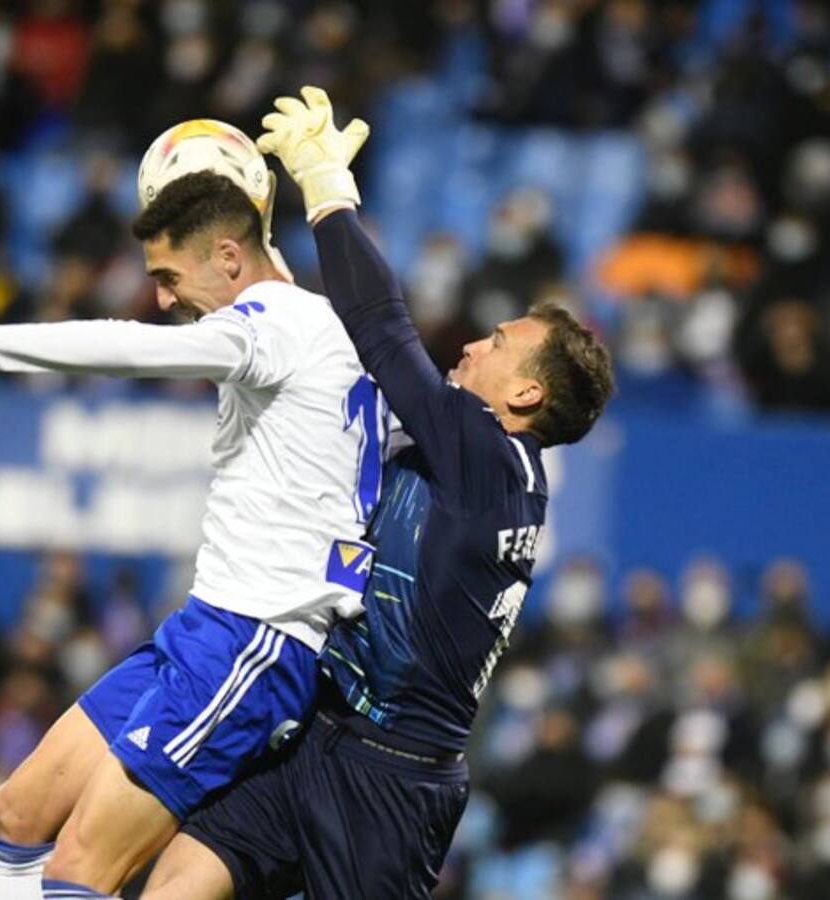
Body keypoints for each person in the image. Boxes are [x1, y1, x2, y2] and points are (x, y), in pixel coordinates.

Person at [0, 166, 387, 898]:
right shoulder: (305, 320)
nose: (164, 299)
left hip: (258, 639)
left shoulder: (271, 330)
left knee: (79, 872)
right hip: (206, 625)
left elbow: (133, 349)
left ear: (229, 258)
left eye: (169, 276)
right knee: (17, 814)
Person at [140, 87, 615, 899]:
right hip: (318, 737)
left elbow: (383, 329)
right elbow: (340, 361)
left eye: (498, 343)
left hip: (392, 783)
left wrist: (326, 187)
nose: (471, 343)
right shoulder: (460, 452)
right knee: (175, 885)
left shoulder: (495, 462)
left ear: (529, 396)